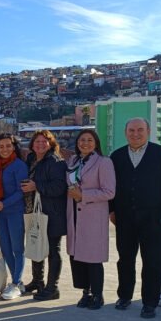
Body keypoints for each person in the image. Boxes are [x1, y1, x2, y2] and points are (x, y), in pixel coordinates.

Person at [110, 118, 161, 319]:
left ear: (148, 131)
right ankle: (124, 296)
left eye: (140, 130)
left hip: (154, 218)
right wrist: (111, 210)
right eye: (131, 130)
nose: (136, 134)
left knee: (152, 261)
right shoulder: (116, 156)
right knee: (125, 260)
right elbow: (111, 187)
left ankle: (150, 303)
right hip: (124, 218)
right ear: (126, 133)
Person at [65, 130, 115, 310]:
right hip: (74, 214)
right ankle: (85, 292)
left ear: (96, 143)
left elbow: (109, 192)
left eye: (89, 140)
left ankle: (97, 295)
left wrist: (83, 194)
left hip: (93, 216)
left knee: (92, 258)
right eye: (82, 140)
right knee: (77, 257)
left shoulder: (104, 162)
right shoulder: (73, 161)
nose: (85, 143)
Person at [21, 130, 68, 302]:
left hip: (52, 213)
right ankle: (38, 281)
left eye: (44, 141)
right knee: (36, 245)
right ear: (32, 144)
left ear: (51, 144)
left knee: (53, 251)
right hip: (34, 211)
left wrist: (36, 186)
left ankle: (52, 287)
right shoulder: (32, 160)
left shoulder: (56, 162)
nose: (40, 144)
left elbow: (59, 187)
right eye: (37, 141)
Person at [0, 133, 28, 300]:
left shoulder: (18, 165)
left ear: (14, 147)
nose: (4, 149)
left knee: (17, 249)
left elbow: (22, 191)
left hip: (15, 212)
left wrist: (5, 204)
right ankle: (16, 282)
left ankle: (16, 282)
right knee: (6, 249)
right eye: (1, 146)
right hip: (1, 213)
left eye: (8, 146)